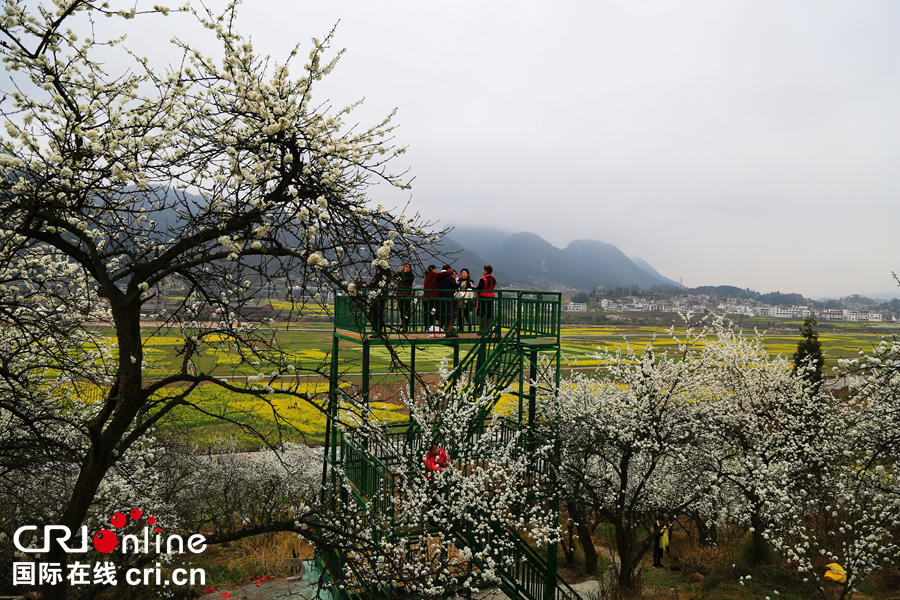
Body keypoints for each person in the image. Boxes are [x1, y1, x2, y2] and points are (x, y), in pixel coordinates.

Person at [436, 264, 459, 336]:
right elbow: (454, 285)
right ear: (448, 269)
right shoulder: (448, 277)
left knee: (442, 313)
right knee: (449, 313)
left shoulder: (438, 276)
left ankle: (440, 328)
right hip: (448, 297)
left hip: (440, 297)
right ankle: (448, 328)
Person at [475, 264, 497, 332]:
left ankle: (482, 329)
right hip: (490, 297)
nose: (483, 271)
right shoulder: (493, 279)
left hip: (482, 297)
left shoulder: (483, 279)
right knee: (488, 314)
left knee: (481, 314)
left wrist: (472, 288)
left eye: (483, 270)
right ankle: (488, 329)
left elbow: (479, 289)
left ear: (486, 271)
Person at [395, 263, 414, 331]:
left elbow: (404, 280)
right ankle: (403, 324)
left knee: (407, 310)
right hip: (400, 294)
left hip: (407, 294)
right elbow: (395, 278)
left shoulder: (411, 275)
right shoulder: (400, 274)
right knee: (401, 310)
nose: (406, 268)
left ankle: (406, 325)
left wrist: (401, 275)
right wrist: (399, 272)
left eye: (408, 267)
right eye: (405, 267)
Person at [422, 265, 440, 329]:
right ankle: (430, 328)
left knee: (427, 314)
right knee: (431, 314)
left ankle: (427, 327)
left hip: (426, 298)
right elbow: (441, 274)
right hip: (431, 298)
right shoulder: (432, 275)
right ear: (433, 269)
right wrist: (449, 272)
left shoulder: (427, 276)